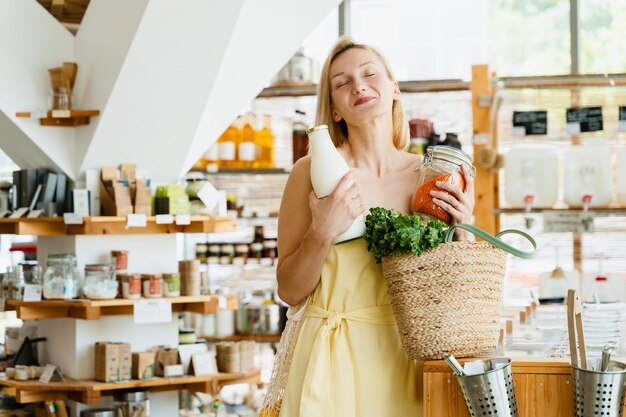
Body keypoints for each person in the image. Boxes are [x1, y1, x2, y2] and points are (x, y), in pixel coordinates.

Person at [274, 36, 475, 417]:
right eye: (342, 82)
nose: (359, 86)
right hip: (333, 358)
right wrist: (322, 231)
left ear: (394, 89)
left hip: (411, 356)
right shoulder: (312, 176)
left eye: (370, 74)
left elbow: (454, 289)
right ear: (333, 109)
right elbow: (289, 289)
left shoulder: (432, 176)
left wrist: (465, 230)